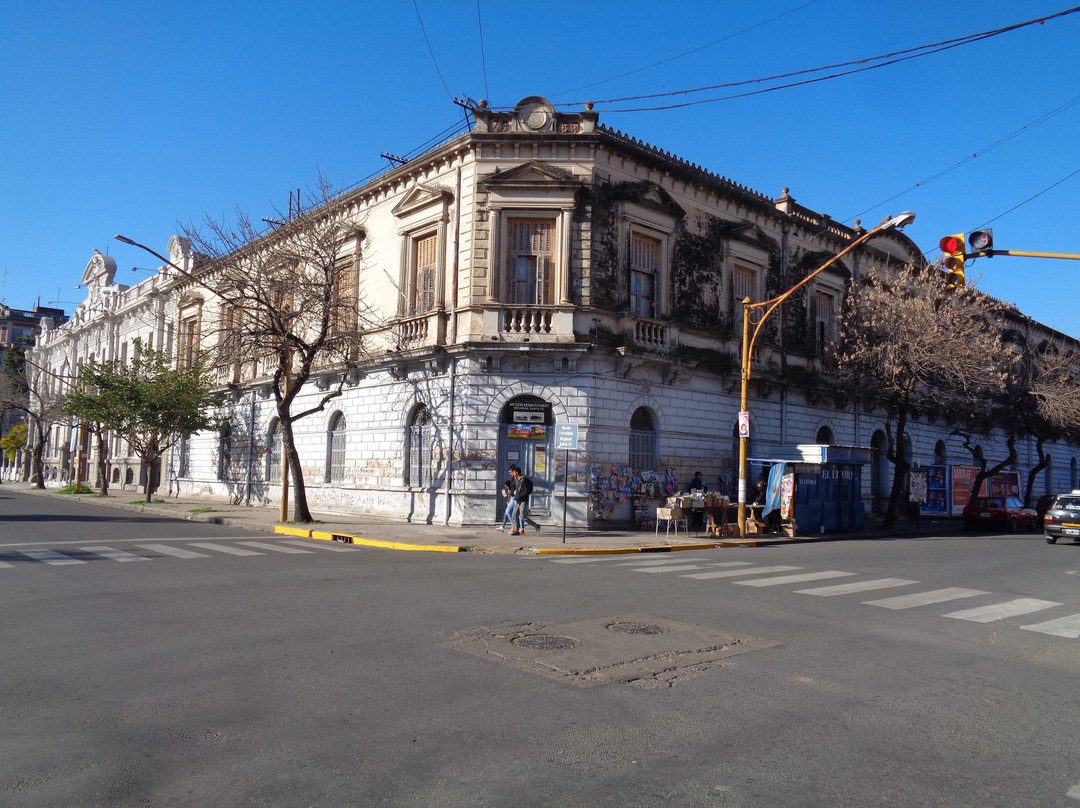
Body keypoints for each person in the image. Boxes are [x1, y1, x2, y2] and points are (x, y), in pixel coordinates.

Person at [509, 466, 540, 535]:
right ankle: (516, 530)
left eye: (513, 472)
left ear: (517, 472)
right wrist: (513, 493)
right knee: (514, 515)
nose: (513, 474)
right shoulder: (517, 480)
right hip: (517, 501)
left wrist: (519, 495)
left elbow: (527, 491)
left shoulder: (524, 480)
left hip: (523, 501)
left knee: (522, 516)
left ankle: (536, 526)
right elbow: (515, 488)